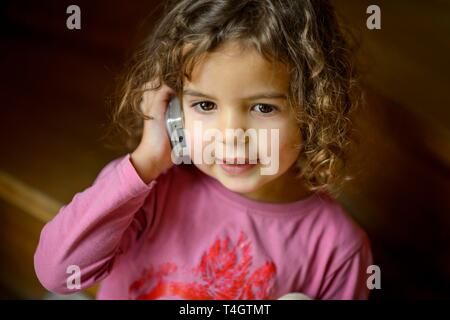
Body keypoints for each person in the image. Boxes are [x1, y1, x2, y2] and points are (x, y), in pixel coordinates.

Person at [34, 0, 373, 299]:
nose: (229, 136)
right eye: (206, 106)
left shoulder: (337, 249)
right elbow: (57, 272)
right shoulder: (148, 190)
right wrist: (147, 159)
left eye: (263, 108)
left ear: (315, 109)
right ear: (173, 109)